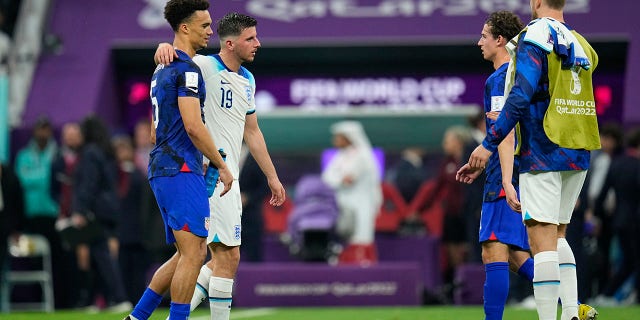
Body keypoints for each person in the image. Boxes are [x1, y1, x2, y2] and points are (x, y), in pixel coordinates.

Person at [462, 1, 600, 319]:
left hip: (541, 149)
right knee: (559, 234)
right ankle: (572, 312)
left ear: (536, 2)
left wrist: (488, 144)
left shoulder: (535, 34)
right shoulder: (581, 42)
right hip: (578, 148)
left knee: (542, 241)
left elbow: (521, 95)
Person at [154, 12, 286, 320]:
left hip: (230, 177)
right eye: (250, 38)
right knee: (221, 255)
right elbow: (171, 68)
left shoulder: (248, 80)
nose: (258, 43)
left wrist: (272, 177)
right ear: (229, 43)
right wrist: (162, 49)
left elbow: (252, 132)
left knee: (217, 258)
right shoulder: (203, 66)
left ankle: (154, 314)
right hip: (208, 173)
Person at [125, 1, 233, 320]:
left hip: (165, 167)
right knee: (195, 253)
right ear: (184, 28)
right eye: (204, 26)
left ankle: (137, 317)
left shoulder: (163, 68)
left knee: (186, 253)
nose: (211, 31)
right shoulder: (187, 70)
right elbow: (193, 125)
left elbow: (160, 132)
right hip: (180, 168)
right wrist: (221, 165)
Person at [456, 11, 534, 320]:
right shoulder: (524, 74)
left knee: (493, 250)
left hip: (506, 174)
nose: (479, 42)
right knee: (515, 255)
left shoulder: (501, 78)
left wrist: (503, 179)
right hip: (520, 168)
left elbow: (505, 133)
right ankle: (575, 303)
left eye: (484, 36)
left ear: (500, 40)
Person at [322, 120, 382, 266]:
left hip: (362, 206)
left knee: (361, 238)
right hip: (343, 205)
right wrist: (339, 179)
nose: (335, 140)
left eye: (338, 137)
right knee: (345, 240)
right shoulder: (341, 156)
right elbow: (326, 178)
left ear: (348, 137)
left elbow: (349, 179)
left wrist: (338, 179)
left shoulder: (363, 156)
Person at [592, 128, 640, 305]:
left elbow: (604, 191)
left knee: (627, 260)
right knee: (631, 260)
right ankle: (613, 294)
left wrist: (596, 216)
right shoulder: (636, 165)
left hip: (617, 220)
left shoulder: (617, 163)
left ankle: (607, 294)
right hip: (634, 221)